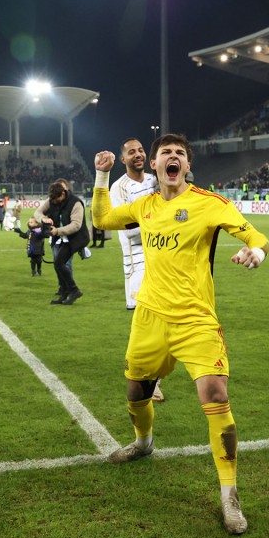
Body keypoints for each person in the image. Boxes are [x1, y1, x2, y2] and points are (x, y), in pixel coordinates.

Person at [91, 133, 269, 535]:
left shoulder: (210, 204)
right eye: (165, 154)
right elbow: (102, 220)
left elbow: (255, 236)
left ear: (187, 166)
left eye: (180, 154)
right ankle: (143, 442)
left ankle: (230, 496)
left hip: (196, 320)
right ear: (153, 166)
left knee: (216, 395)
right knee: (136, 392)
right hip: (150, 317)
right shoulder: (144, 206)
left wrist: (254, 252)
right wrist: (101, 178)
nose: (173, 158)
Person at [109, 137, 165, 402]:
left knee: (165, 320)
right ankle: (145, 376)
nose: (138, 154)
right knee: (146, 324)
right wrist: (162, 222)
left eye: (141, 150)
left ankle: (154, 379)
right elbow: (128, 228)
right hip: (137, 264)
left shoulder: (157, 180)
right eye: (132, 152)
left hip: (164, 257)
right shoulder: (118, 188)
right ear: (124, 159)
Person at [34, 178, 89, 305]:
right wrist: (43, 219)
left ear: (63, 193)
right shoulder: (52, 199)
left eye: (56, 199)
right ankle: (65, 293)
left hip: (77, 237)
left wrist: (57, 231)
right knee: (58, 263)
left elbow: (76, 225)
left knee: (59, 262)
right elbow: (37, 212)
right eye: (52, 200)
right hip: (62, 237)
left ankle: (73, 290)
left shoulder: (76, 203)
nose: (53, 202)